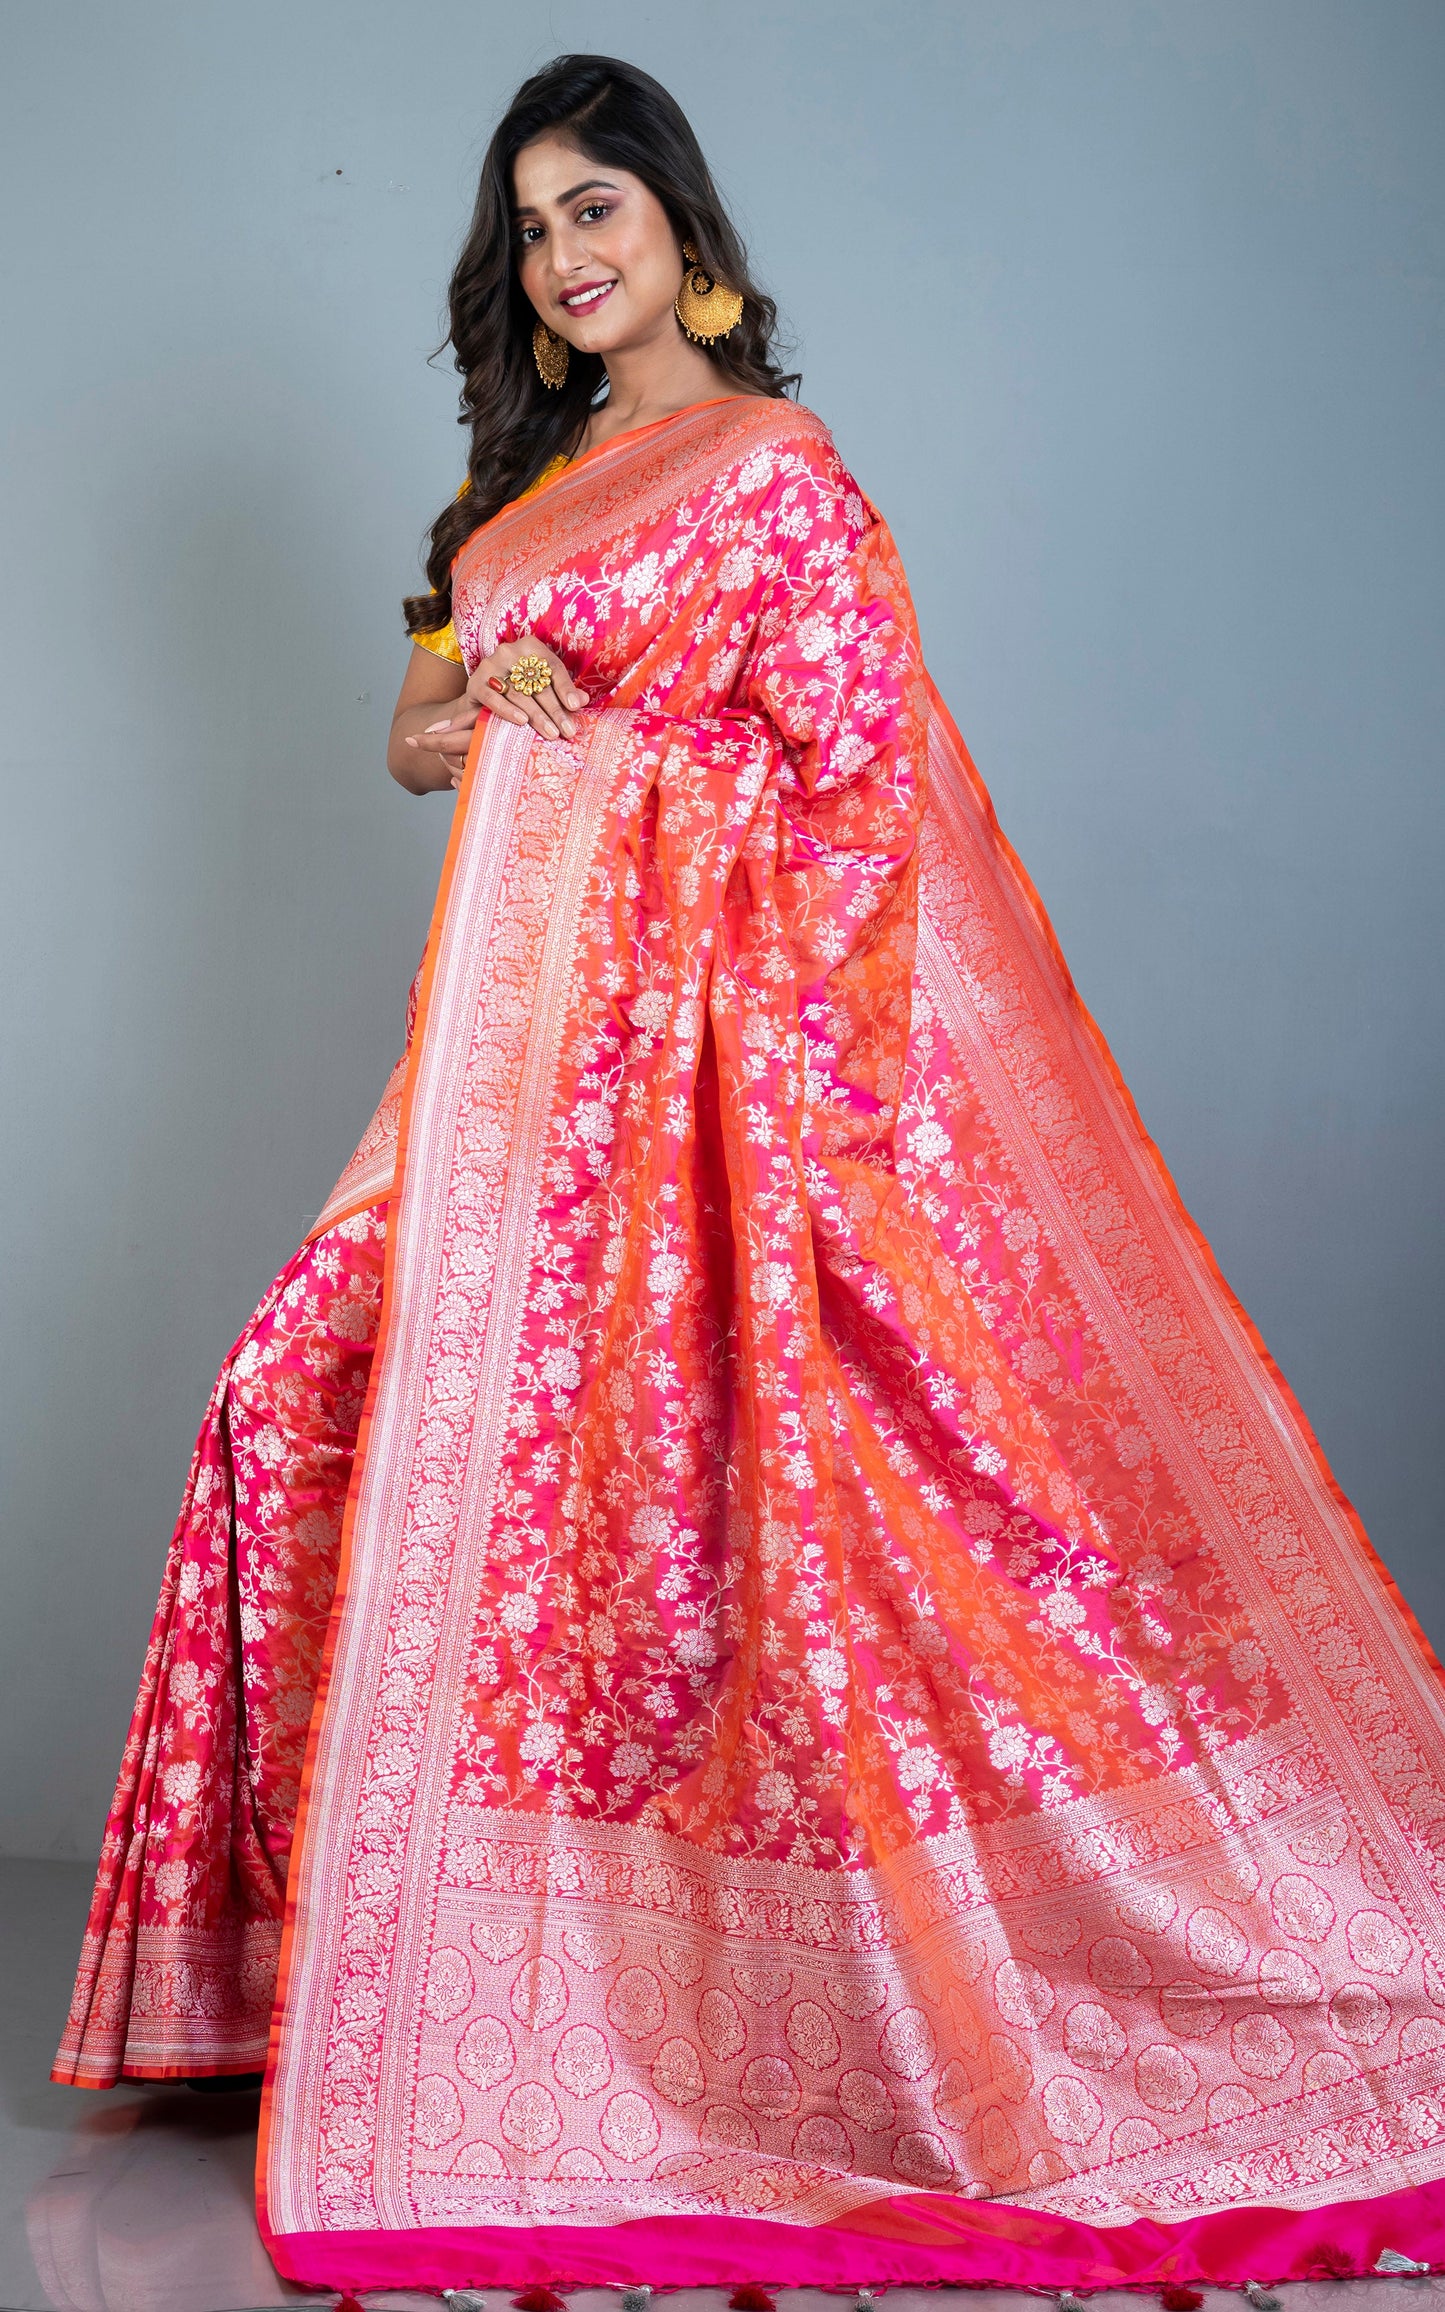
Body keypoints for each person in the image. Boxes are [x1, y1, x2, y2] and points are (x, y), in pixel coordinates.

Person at [55, 51, 1445, 2297]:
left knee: (766, 1527)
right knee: (282, 1393)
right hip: (502, 1091)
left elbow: (858, 794)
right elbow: (417, 729)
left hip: (710, 1095)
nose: (564, 257)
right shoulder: (512, 500)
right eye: (531, 227)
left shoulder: (782, 483)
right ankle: (314, 1975)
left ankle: (649, 2013)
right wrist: (476, 714)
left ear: (684, 229)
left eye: (595, 208)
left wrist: (628, 795)